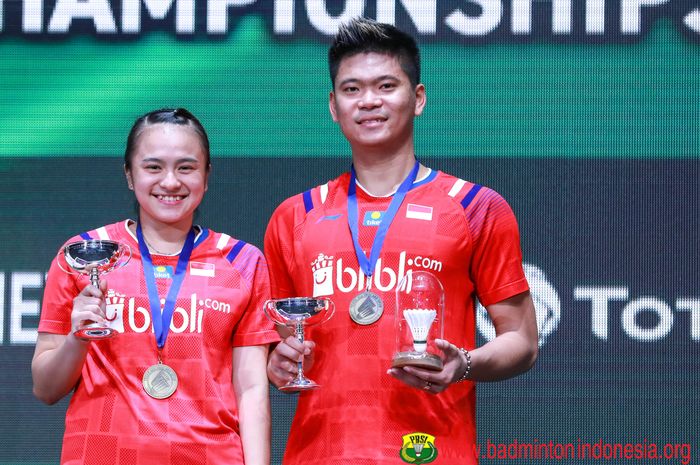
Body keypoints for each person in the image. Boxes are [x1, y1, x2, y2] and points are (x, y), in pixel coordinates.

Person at [264, 17, 539, 464]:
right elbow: (281, 350)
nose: (368, 101)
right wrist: (278, 363)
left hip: (431, 451)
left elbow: (523, 342)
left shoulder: (474, 207)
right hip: (319, 453)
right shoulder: (296, 216)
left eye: (385, 85)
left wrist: (462, 366)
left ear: (418, 98)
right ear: (333, 106)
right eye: (352, 90)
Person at [32, 108, 277, 465]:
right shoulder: (83, 255)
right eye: (153, 167)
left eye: (186, 167)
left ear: (207, 177)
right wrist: (77, 338)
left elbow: (252, 391)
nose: (170, 182)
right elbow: (45, 388)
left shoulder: (242, 260)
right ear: (129, 175)